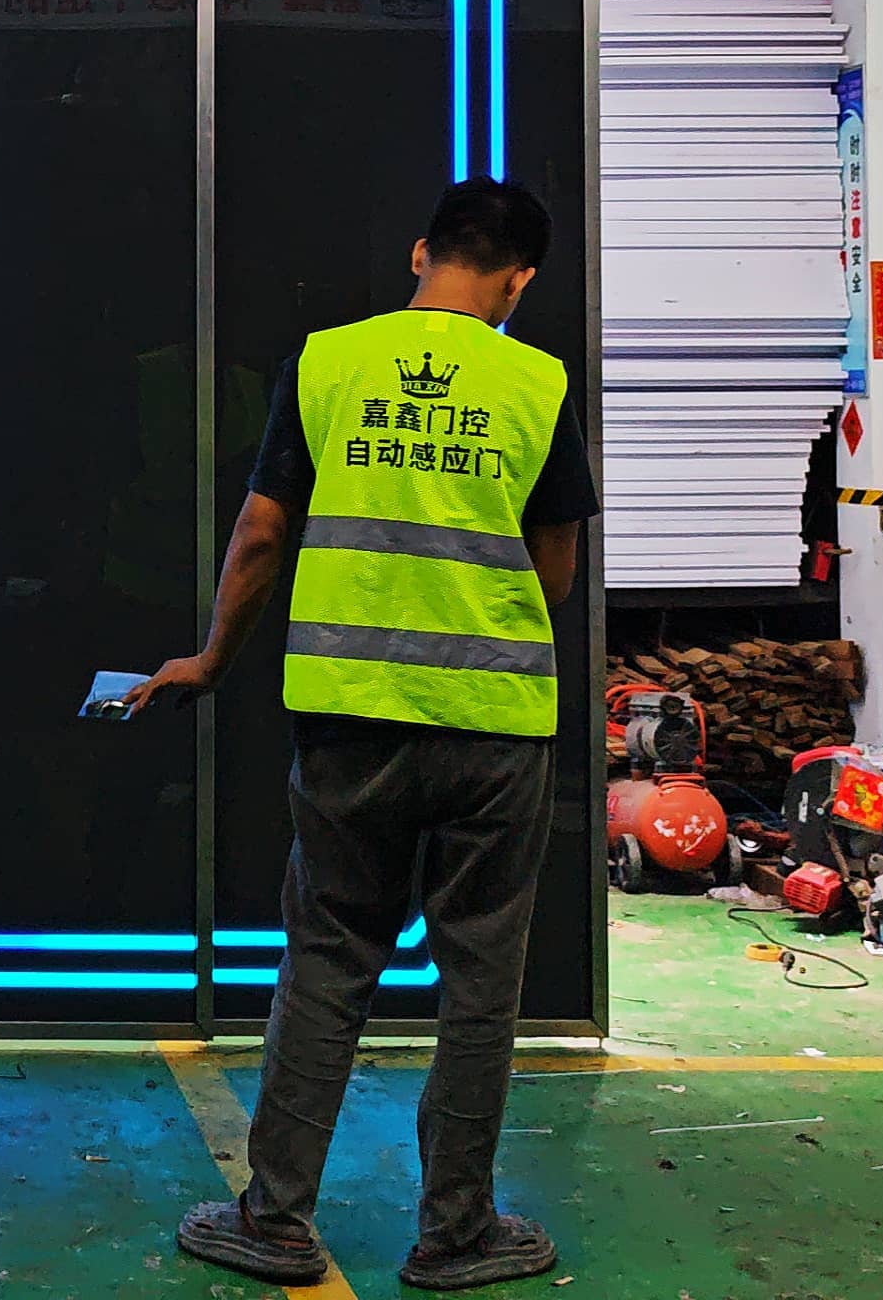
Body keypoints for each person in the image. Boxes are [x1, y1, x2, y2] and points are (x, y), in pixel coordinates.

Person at [126, 177, 594, 1290]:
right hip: (493, 723)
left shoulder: (329, 362)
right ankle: (456, 1233)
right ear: (520, 281)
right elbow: (556, 570)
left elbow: (261, 533)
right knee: (480, 984)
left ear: (420, 254)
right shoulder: (536, 382)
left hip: (347, 722)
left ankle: (274, 1220)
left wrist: (212, 658)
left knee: (329, 962)